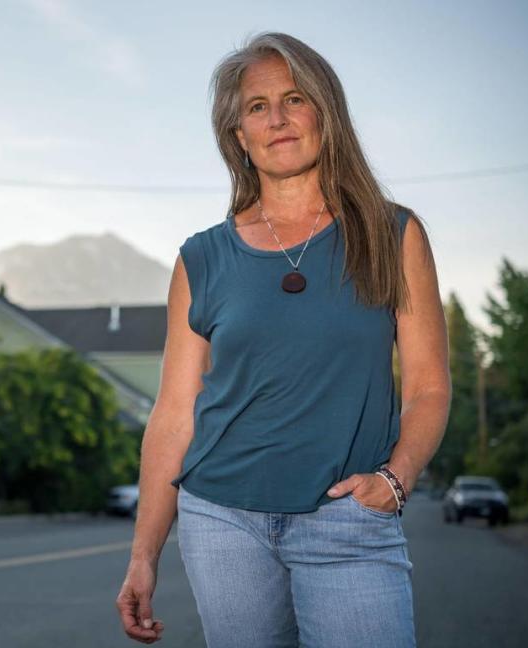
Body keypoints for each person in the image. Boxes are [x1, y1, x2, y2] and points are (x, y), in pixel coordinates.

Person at [115, 32, 450, 647]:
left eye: (294, 99)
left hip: (348, 518)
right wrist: (144, 555)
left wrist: (396, 480)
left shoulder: (391, 233)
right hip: (222, 523)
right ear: (239, 137)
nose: (277, 118)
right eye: (256, 106)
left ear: (325, 112)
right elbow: (173, 415)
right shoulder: (202, 258)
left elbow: (428, 387)